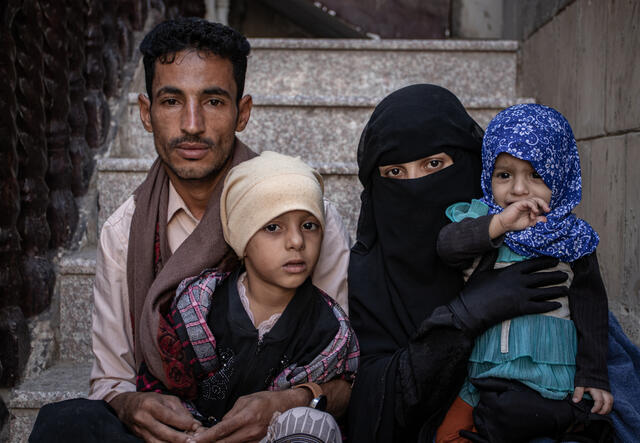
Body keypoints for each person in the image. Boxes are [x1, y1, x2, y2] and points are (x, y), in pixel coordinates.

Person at [30, 18, 351, 442]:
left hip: (271, 431)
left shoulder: (308, 222)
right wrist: (134, 407)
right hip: (175, 433)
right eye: (171, 101)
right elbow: (111, 382)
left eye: (214, 101)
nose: (192, 124)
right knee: (65, 424)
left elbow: (343, 376)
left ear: (243, 112)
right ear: (146, 113)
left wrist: (285, 403)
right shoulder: (125, 230)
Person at [346, 84, 571, 442]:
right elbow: (372, 401)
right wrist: (462, 318)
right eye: (395, 173)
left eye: (434, 164)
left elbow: (596, 350)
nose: (416, 186)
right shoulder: (368, 273)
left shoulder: (528, 238)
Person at [136, 151, 359, 442]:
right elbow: (161, 386)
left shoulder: (330, 330)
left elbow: (341, 397)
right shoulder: (197, 307)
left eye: (309, 225)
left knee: (311, 424)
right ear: (241, 238)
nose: (296, 241)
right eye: (273, 227)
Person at [435, 103, 613, 443]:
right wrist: (498, 224)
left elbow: (592, 309)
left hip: (551, 377)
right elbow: (447, 247)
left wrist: (594, 374)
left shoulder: (572, 237)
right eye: (505, 175)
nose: (518, 190)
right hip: (482, 375)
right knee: (445, 436)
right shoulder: (483, 220)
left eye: (536, 175)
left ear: (560, 177)